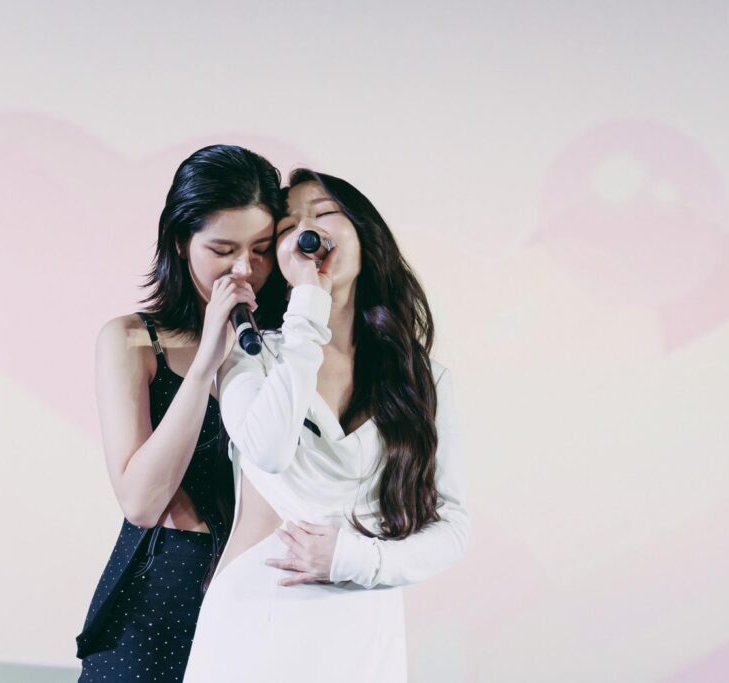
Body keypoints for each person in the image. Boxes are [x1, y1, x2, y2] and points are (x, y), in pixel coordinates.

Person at [183, 169, 471, 682]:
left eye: (323, 213)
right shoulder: (250, 356)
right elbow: (268, 450)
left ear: (364, 234)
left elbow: (451, 529)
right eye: (288, 226)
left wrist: (356, 560)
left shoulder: (421, 380)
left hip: (362, 625)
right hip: (257, 619)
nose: (306, 231)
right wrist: (308, 305)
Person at [75, 144, 286, 681]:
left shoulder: (290, 348)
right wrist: (205, 363)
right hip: (159, 592)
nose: (245, 269)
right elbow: (142, 502)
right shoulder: (132, 340)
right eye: (222, 249)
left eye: (262, 249)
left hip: (258, 594)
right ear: (179, 241)